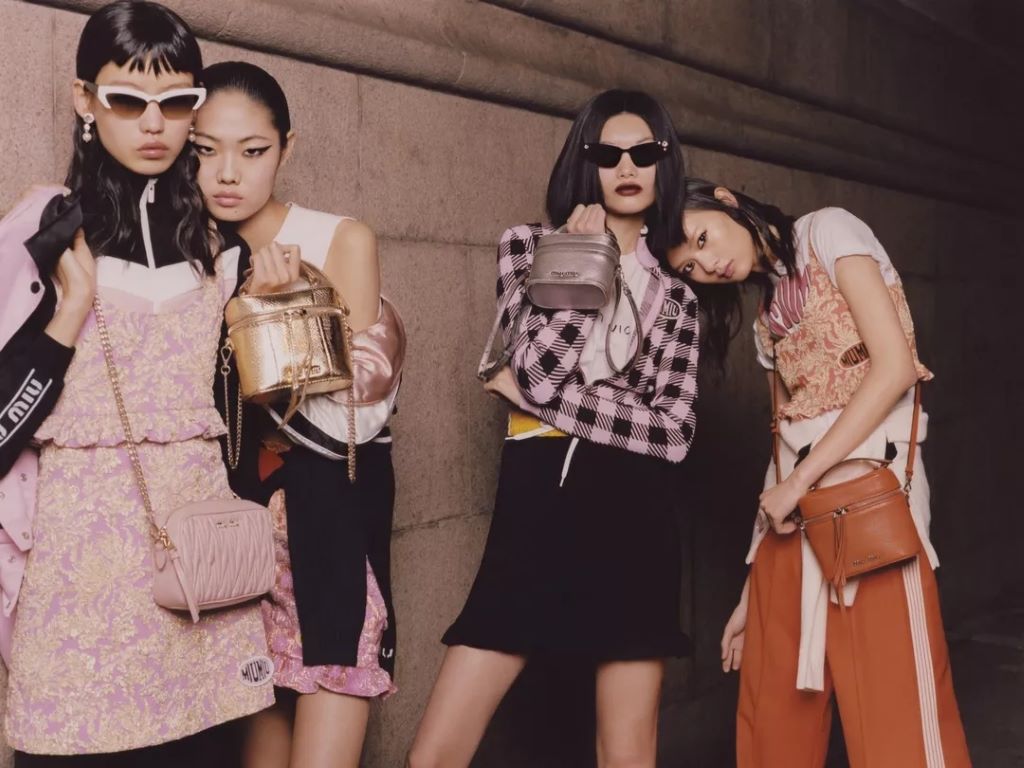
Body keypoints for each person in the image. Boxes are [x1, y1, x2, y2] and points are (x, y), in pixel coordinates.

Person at [0, 2, 274, 764]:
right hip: (81, 572)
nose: (154, 124)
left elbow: (250, 412)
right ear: (85, 100)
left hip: (201, 570)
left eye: (176, 102)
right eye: (127, 100)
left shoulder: (218, 243)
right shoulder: (47, 229)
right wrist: (67, 317)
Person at [408, 89, 697, 768]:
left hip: (634, 513)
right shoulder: (527, 247)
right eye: (607, 153)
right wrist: (584, 257)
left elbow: (674, 432)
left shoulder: (677, 297)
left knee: (627, 753)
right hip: (538, 500)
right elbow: (538, 371)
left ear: (665, 164)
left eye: (644, 152)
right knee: (436, 754)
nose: (626, 167)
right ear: (583, 163)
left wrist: (553, 406)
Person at [668, 180, 971, 767]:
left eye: (702, 239)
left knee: (898, 718)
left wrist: (799, 483)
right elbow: (781, 451)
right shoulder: (765, 323)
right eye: (690, 268)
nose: (708, 264)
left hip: (871, 505)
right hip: (790, 526)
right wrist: (749, 591)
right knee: (773, 720)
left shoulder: (828, 231)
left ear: (726, 201)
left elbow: (895, 367)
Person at [194, 61, 404, 768]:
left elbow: (357, 416)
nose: (227, 173)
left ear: (287, 147)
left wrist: (277, 316)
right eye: (205, 150)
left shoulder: (339, 238)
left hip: (328, 528)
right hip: (235, 545)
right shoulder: (188, 255)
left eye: (252, 150)